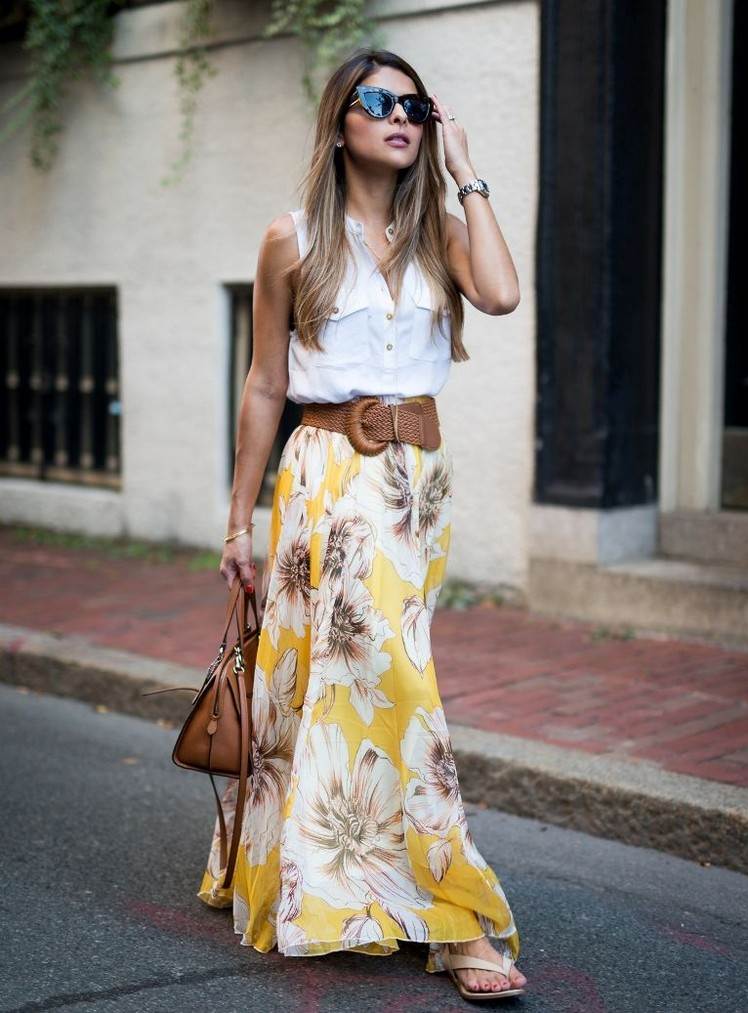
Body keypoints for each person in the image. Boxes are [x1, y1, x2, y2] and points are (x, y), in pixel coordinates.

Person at [198, 47, 528, 1003]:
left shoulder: (442, 237)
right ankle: (458, 916)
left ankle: (315, 871)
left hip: (418, 487)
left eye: (415, 106)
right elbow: (265, 384)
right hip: (327, 477)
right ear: (340, 119)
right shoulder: (292, 238)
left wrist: (466, 173)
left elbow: (503, 294)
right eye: (378, 101)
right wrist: (236, 524)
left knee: (350, 684)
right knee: (393, 679)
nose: (400, 117)